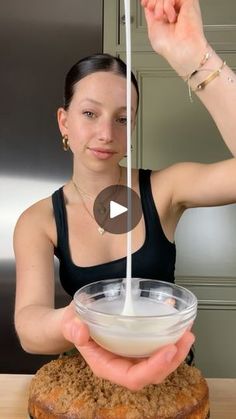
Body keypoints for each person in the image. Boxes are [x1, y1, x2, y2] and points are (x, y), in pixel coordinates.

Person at [14, 0, 236, 391]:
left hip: (172, 382)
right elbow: (30, 328)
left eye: (122, 119)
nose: (106, 133)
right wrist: (79, 321)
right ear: (63, 121)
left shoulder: (165, 190)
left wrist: (195, 58)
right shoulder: (40, 220)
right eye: (89, 114)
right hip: (89, 384)